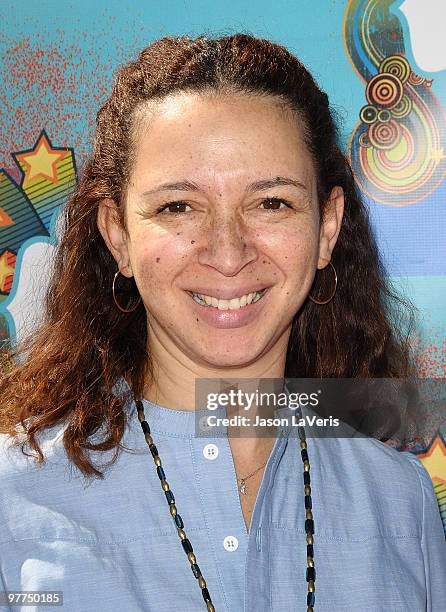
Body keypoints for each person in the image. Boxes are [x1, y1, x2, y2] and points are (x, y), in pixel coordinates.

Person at [0, 33, 444, 612]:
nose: (228, 253)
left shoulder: (400, 502)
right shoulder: (15, 498)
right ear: (118, 236)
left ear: (327, 228)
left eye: (272, 203)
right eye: (178, 207)